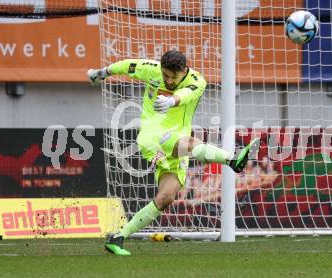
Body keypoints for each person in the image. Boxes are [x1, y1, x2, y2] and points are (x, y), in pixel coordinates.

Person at [87, 50, 258, 255]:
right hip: (152, 137)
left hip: (175, 141)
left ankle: (118, 237)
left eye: (173, 77)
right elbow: (127, 66)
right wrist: (102, 73)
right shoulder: (150, 70)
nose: (168, 80)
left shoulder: (197, 81)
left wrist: (171, 100)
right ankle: (232, 160)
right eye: (165, 75)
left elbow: (186, 94)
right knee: (192, 142)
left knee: (166, 197)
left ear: (184, 71)